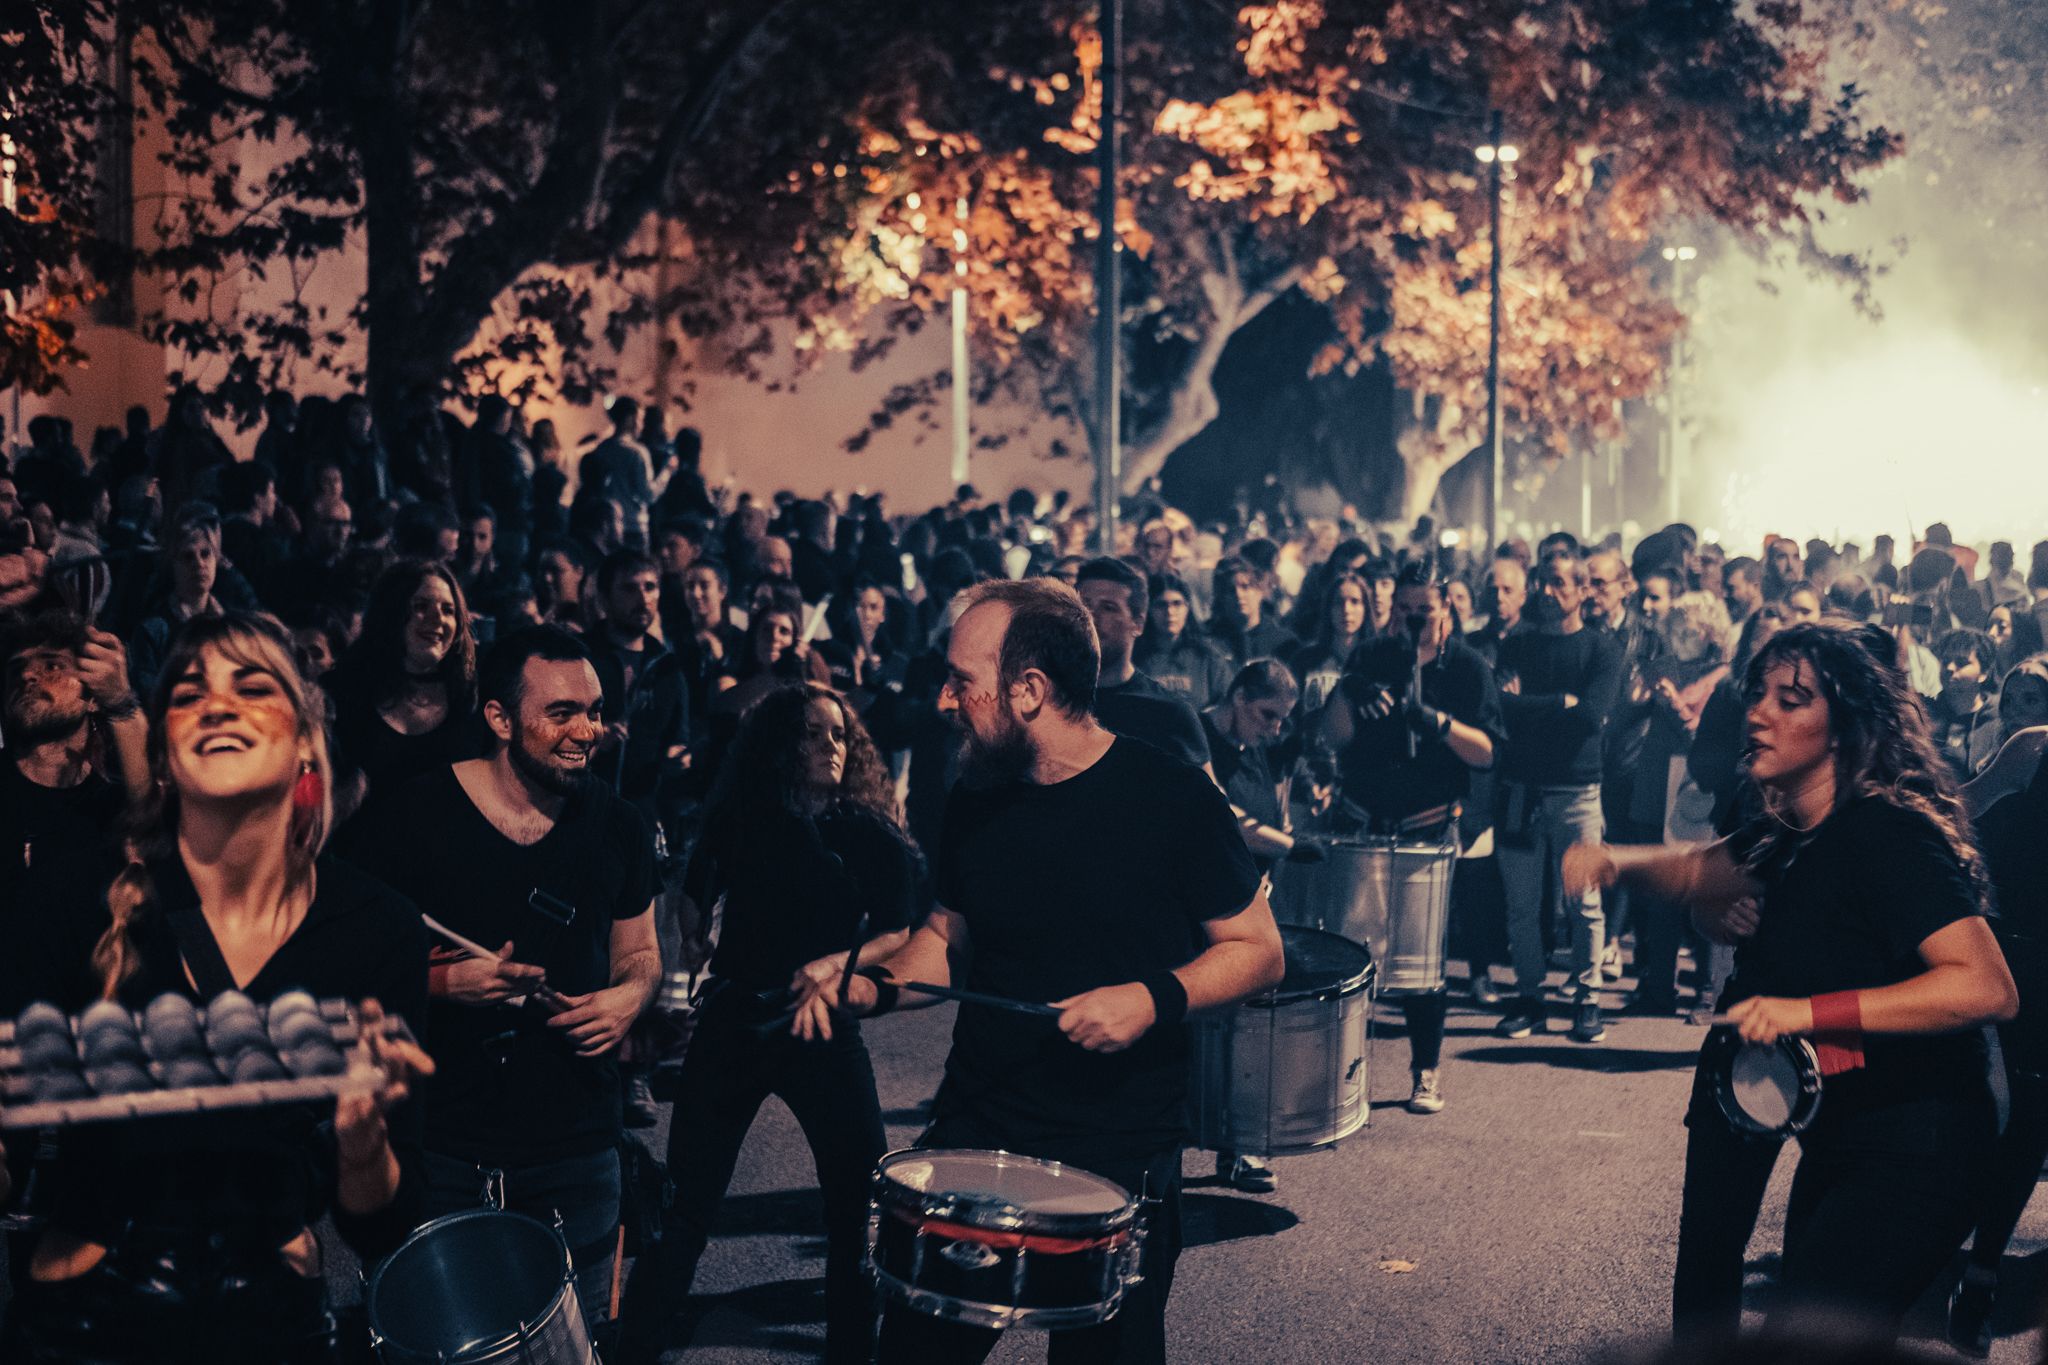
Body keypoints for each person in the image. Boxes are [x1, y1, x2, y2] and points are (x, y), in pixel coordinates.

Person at [794, 577, 1285, 1365]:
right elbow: (947, 934)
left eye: (963, 682)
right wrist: (872, 988)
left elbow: (1260, 949)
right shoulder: (976, 794)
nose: (947, 702)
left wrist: (1151, 997)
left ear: (1029, 689)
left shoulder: (1172, 796)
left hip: (1119, 1148)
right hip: (980, 1127)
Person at [1564, 619, 2016, 1343]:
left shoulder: (1888, 831)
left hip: (1923, 1144)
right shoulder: (1790, 828)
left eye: (1792, 698)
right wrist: (1613, 861)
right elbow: (1698, 868)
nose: (1758, 712)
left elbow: (1987, 986)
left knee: (1802, 1340)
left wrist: (1807, 1009)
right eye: (1759, 693)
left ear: (1843, 727)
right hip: (1845, 1128)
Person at [0, 613, 431, 1364]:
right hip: (86, 1324)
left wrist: (363, 1147)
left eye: (253, 686)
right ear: (164, 747)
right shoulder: (72, 900)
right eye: (191, 690)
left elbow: (380, 1226)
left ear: (304, 739)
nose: (219, 704)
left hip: (271, 1327)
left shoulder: (377, 928)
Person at [336, 625, 660, 1326]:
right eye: (562, 712)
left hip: (578, 1147)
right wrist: (447, 984)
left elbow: (640, 950)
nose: (587, 730)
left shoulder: (620, 825)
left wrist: (629, 995)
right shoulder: (411, 816)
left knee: (574, 1344)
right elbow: (341, 961)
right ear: (499, 717)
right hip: (444, 1146)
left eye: (596, 710)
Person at [617, 684, 918, 1364]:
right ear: (780, 744)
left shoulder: (869, 828)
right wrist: (690, 936)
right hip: (735, 1020)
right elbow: (690, 900)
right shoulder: (745, 815)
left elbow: (898, 930)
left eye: (839, 734)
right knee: (686, 1207)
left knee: (856, 1205)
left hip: (822, 1023)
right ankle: (634, 1349)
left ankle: (850, 1353)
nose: (830, 746)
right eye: (812, 733)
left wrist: (836, 965)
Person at [1308, 564, 1500, 1112]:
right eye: (1405, 609)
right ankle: (1345, 1075)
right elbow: (1332, 735)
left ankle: (1426, 1071)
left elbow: (1487, 752)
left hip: (1426, 827)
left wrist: (1432, 720)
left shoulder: (1467, 667)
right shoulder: (1369, 657)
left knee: (1421, 961)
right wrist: (1348, 689)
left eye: (1425, 610)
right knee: (1350, 955)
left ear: (1446, 610)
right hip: (1363, 818)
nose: (1413, 620)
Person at [1493, 551, 1623, 1043]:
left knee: (1583, 903)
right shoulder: (1517, 645)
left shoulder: (1601, 649)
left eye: (1560, 583)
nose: (1549, 592)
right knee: (1522, 905)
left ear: (1581, 591)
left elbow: (1591, 717)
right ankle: (1530, 998)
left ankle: (1587, 1000)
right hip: (1523, 791)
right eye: (1543, 582)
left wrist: (1532, 708)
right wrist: (1557, 704)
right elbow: (1501, 707)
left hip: (1576, 791)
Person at [0, 614, 149, 931]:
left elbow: (151, 813)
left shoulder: (112, 808)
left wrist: (121, 703)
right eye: (16, 669)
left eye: (51, 665)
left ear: (93, 697)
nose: (27, 674)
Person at [326, 560, 479, 811]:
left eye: (448, 610)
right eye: (421, 606)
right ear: (391, 613)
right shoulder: (342, 690)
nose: (437, 618)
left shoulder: (472, 698)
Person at [1077, 556, 1210, 770]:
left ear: (1137, 624)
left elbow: (1207, 801)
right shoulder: (1052, 700)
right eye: (1084, 605)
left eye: (1108, 607)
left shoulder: (1168, 714)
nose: (1091, 616)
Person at [1134, 570, 1231, 711]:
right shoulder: (1134, 656)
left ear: (1187, 608)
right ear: (1148, 610)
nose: (1170, 612)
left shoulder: (1208, 656)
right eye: (1161, 605)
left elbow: (1227, 704)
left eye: (1177, 604)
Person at [1286, 572, 1371, 714]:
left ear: (1366, 609)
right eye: (1339, 602)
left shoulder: (1376, 661)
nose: (1346, 610)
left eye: (1355, 602)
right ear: (1329, 609)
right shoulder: (1304, 660)